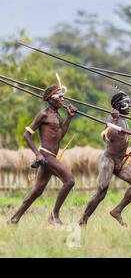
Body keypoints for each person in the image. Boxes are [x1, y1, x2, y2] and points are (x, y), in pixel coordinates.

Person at [78, 91, 131, 227]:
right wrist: (114, 119)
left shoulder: (122, 119)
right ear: (117, 105)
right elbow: (105, 135)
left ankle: (117, 210)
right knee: (101, 193)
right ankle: (83, 220)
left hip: (120, 162)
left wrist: (118, 118)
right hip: (108, 161)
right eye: (126, 103)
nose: (129, 106)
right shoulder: (112, 119)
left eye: (130, 103)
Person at [9, 85, 77, 225]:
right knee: (69, 181)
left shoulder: (58, 115)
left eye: (63, 97)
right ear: (50, 99)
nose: (62, 100)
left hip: (51, 156)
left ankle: (14, 219)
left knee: (37, 190)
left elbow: (59, 137)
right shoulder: (43, 114)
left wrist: (69, 118)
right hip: (46, 156)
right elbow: (26, 134)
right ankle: (54, 216)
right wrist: (37, 154)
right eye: (59, 97)